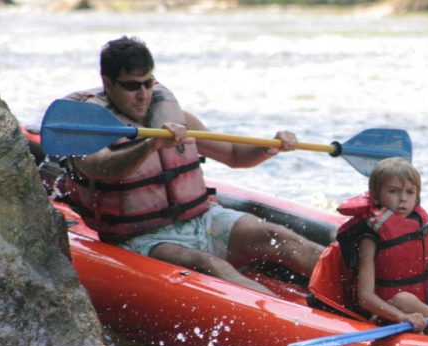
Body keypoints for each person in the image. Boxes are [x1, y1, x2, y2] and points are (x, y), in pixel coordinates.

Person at [61, 36, 323, 295]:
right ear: (108, 84)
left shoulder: (175, 118)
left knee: (279, 236)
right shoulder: (87, 130)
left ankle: (357, 296)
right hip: (142, 238)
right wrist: (150, 144)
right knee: (209, 265)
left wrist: (270, 146)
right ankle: (290, 322)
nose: (143, 95)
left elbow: (234, 155)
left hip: (203, 219)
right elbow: (102, 168)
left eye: (148, 83)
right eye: (131, 86)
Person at [310, 157, 428, 339]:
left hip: (426, 300)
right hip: (394, 309)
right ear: (376, 196)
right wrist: (401, 317)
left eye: (410, 192)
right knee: (404, 299)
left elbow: (412, 261)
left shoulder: (416, 222)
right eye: (393, 191)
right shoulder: (370, 238)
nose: (403, 199)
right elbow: (365, 297)